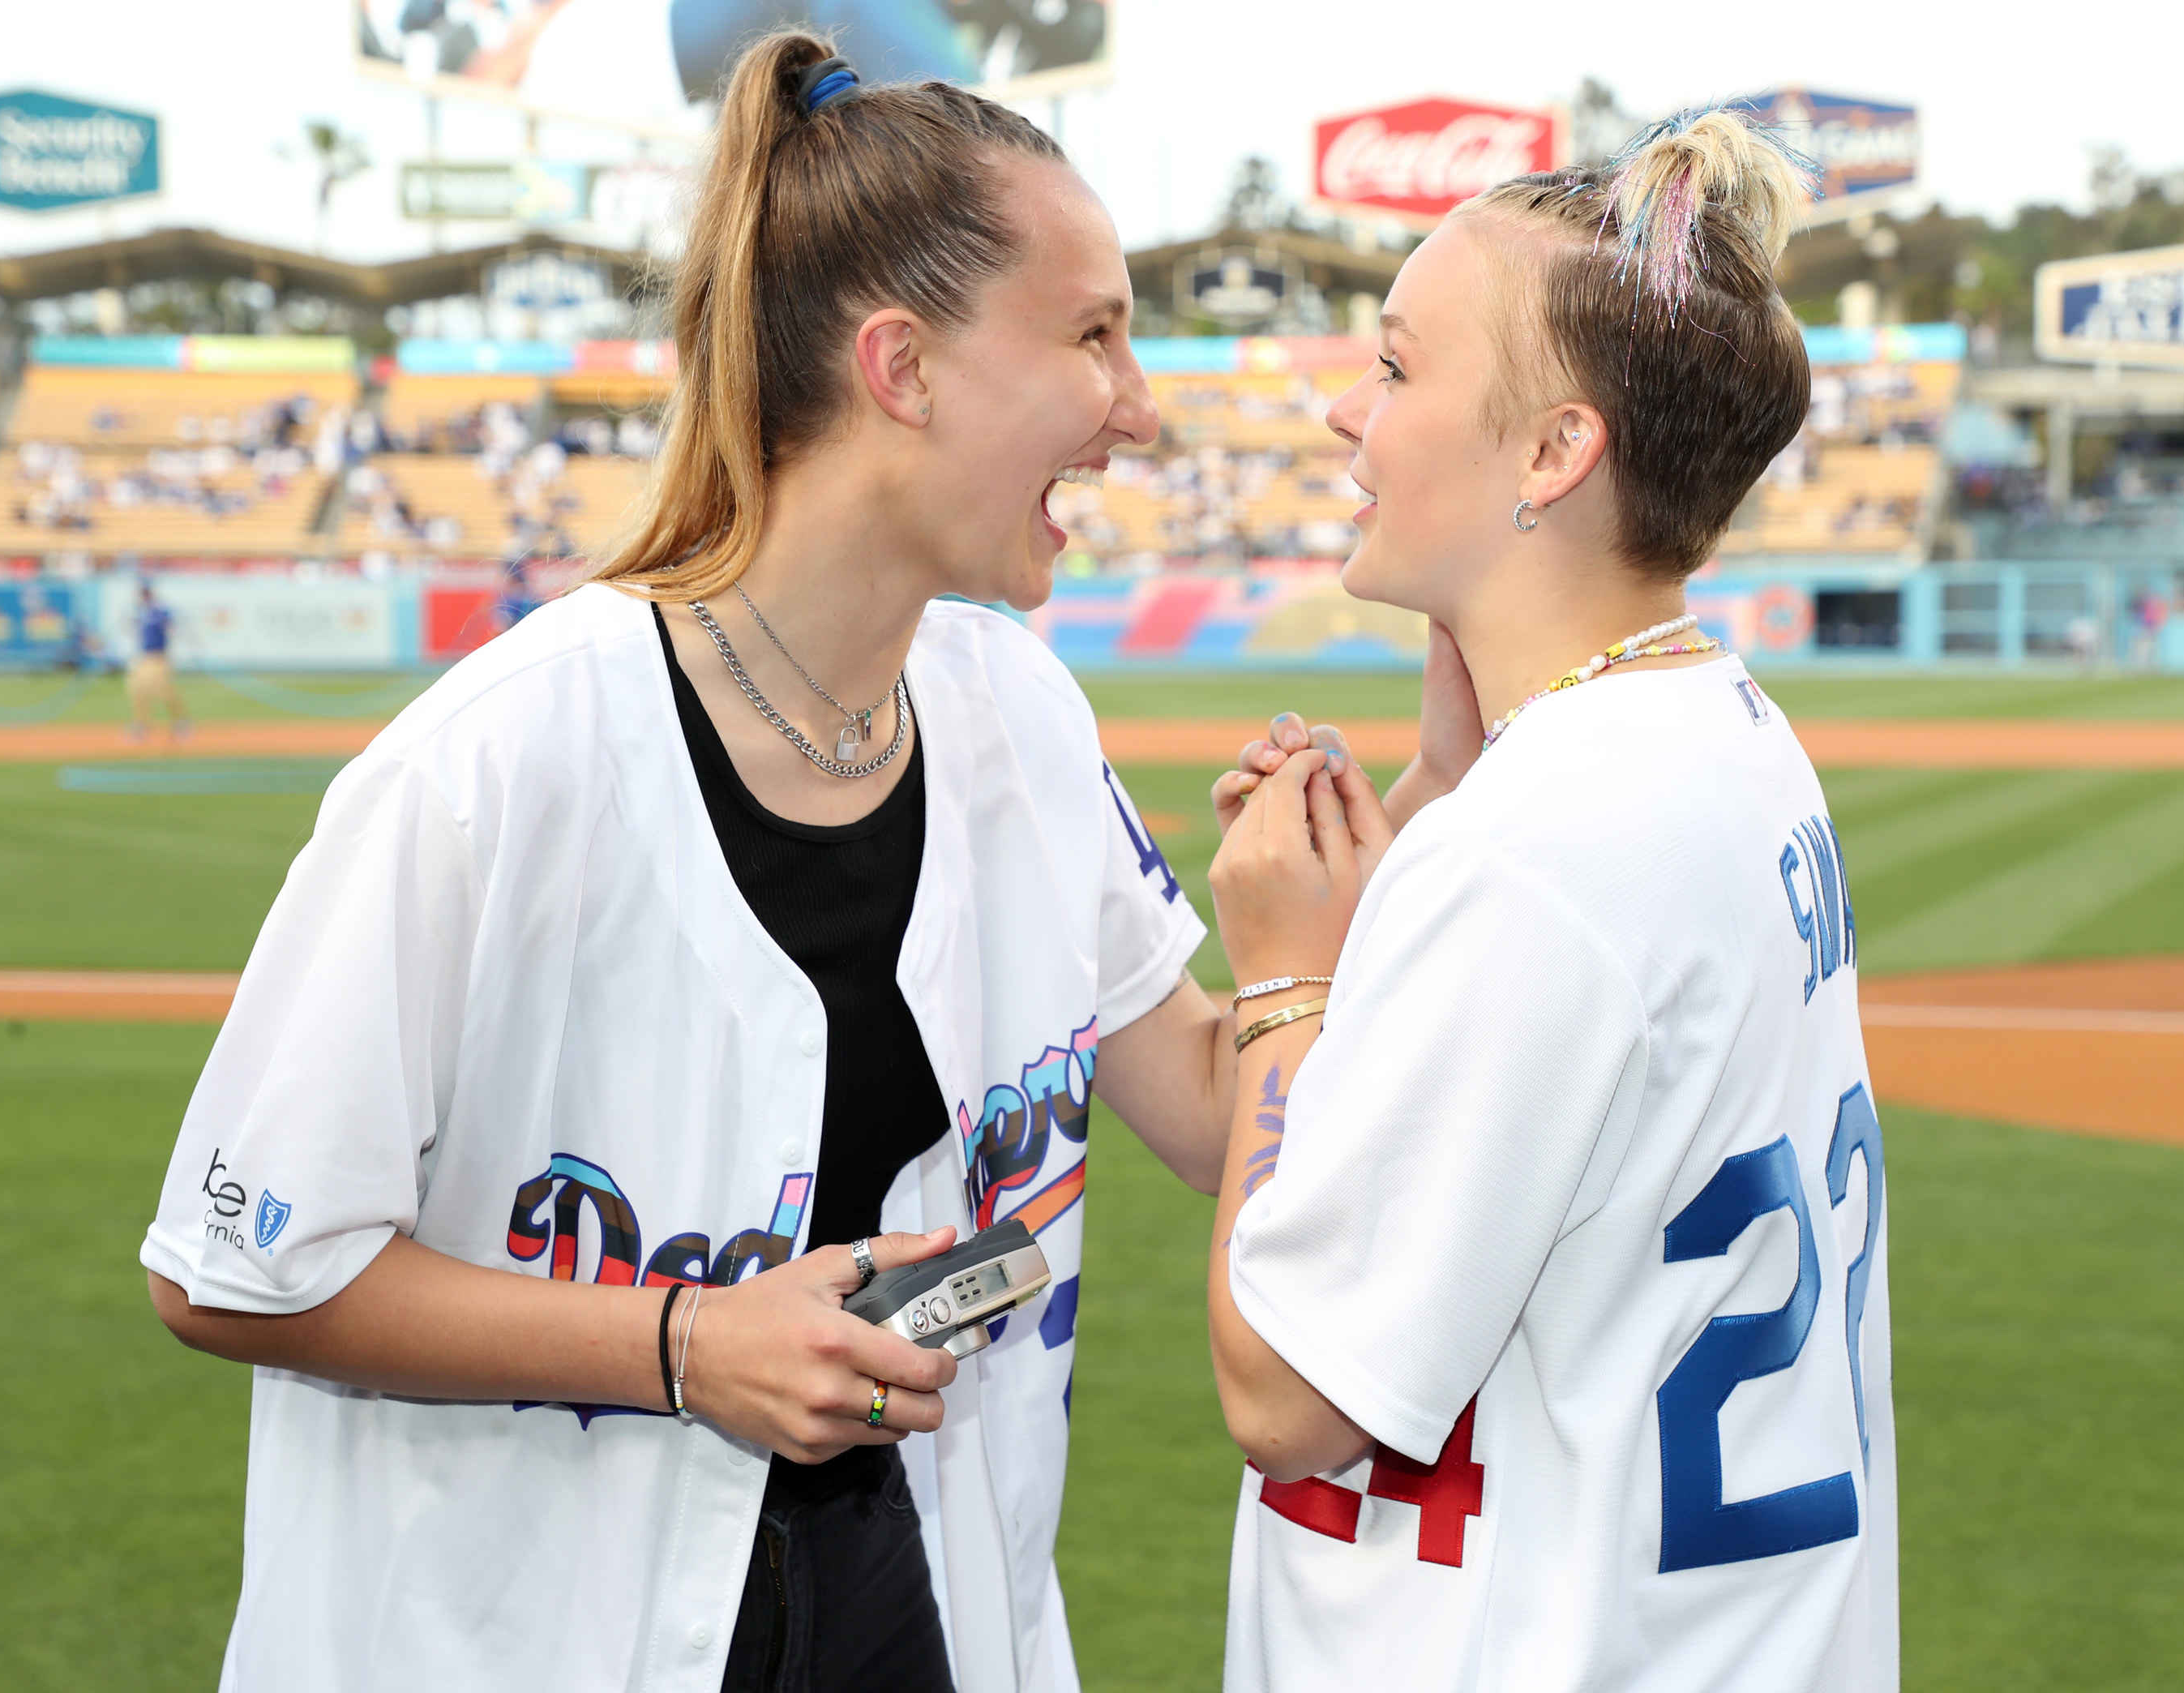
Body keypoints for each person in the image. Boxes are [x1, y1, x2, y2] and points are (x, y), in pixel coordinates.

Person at [142, 35, 1237, 1693]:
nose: (1141, 411)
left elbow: (1226, 1114)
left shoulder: (1017, 710)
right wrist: (683, 1345)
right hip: (527, 1633)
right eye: (1095, 334)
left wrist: (1407, 831)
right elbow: (236, 1265)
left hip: (915, 1606)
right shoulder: (501, 761)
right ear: (905, 368)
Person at [1201, 111, 1897, 1691]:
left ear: (1550, 451)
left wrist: (1285, 987)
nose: (1341, 417)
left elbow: (1288, 1396)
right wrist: (1442, 800)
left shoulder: (1534, 845)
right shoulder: (1726, 734)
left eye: (1391, 370)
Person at [127, 579, 191, 743]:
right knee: (139, 690)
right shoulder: (140, 612)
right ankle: (141, 725)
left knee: (165, 692)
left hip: (159, 657)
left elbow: (170, 627)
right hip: (144, 657)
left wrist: (173, 631)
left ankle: (180, 723)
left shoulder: (160, 611)